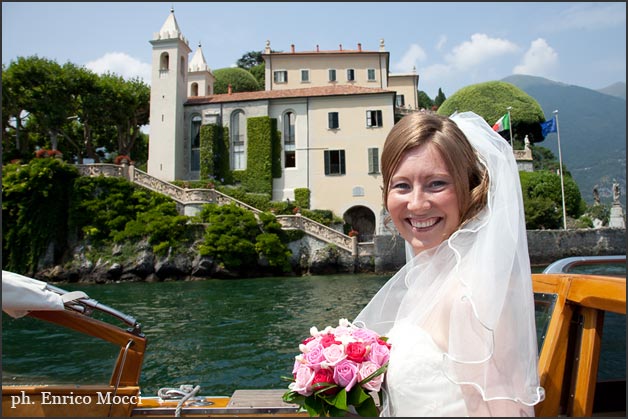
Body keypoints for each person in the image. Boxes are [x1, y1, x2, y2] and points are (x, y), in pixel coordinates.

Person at [354, 111, 544, 416]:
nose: (416, 203)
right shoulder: (429, 279)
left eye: (436, 184)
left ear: (469, 188)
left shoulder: (470, 298)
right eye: (401, 185)